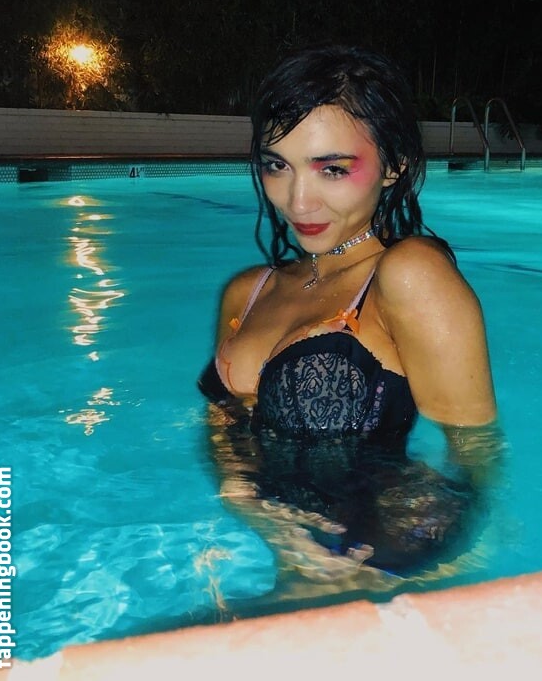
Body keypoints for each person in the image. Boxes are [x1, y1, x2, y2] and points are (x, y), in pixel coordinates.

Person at [198, 44, 499, 582]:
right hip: (288, 556)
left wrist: (397, 571)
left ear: (394, 164)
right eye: (276, 166)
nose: (298, 202)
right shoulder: (247, 292)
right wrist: (253, 508)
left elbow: (475, 458)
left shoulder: (408, 275)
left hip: (376, 560)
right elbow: (224, 427)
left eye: (332, 169)